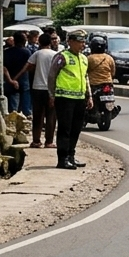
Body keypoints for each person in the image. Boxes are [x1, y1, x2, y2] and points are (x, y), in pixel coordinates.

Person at [48, 30, 91, 170]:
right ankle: (62, 159)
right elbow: (52, 76)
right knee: (64, 129)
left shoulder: (84, 58)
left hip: (79, 99)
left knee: (76, 129)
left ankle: (71, 156)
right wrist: (52, 95)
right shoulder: (62, 57)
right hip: (64, 99)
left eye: (84, 42)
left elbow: (85, 78)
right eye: (80, 42)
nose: (82, 45)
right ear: (70, 42)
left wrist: (89, 96)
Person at [25, 32, 58, 149]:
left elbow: (27, 67)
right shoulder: (56, 54)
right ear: (50, 42)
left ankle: (36, 141)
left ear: (39, 42)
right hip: (52, 89)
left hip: (37, 88)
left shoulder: (37, 54)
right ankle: (49, 142)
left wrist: (14, 78)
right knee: (51, 116)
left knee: (38, 116)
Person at [4, 30, 32, 116]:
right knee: (26, 107)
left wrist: (11, 80)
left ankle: (12, 122)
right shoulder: (26, 52)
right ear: (24, 40)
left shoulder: (6, 52)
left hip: (10, 81)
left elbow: (4, 68)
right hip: (24, 81)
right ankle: (26, 122)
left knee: (13, 108)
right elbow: (28, 66)